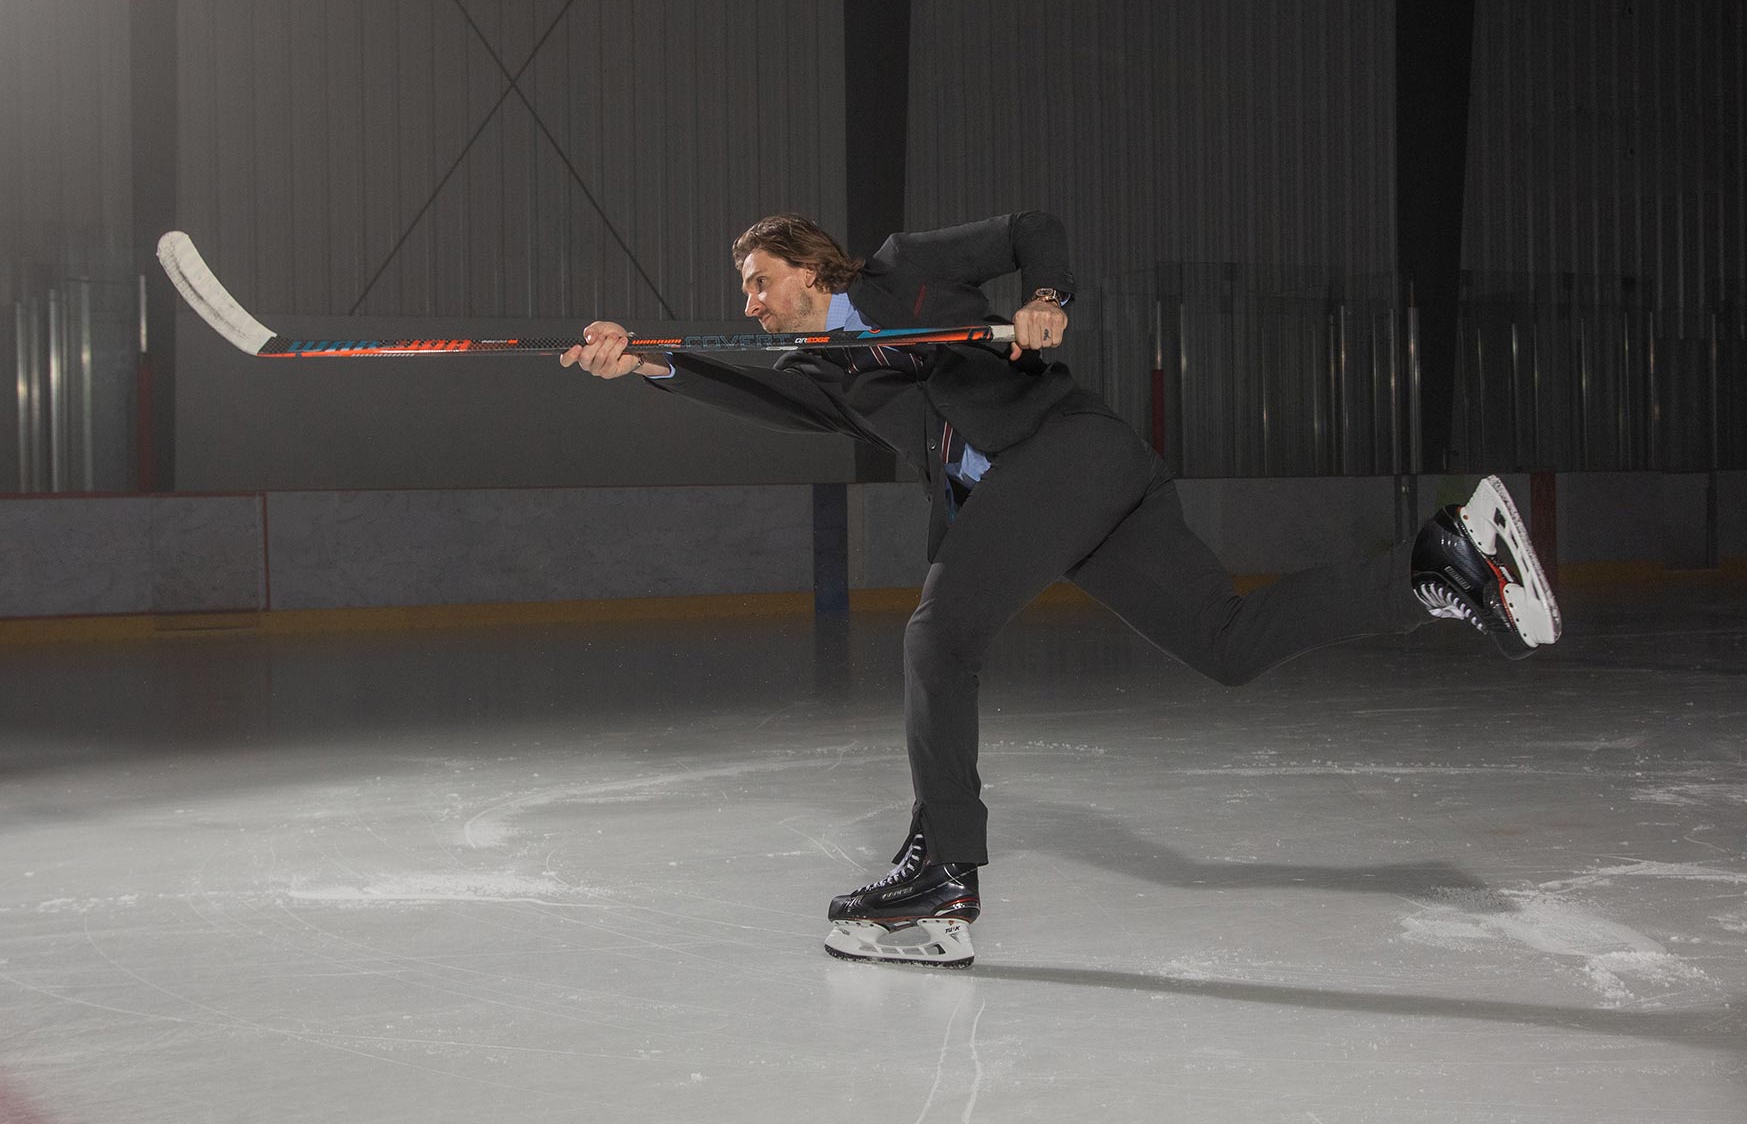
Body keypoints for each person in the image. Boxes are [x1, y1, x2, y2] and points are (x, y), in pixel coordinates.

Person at [560, 211, 1561, 968]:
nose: (751, 301)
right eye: (744, 291)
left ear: (811, 263)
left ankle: (943, 882)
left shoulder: (908, 267)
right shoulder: (828, 368)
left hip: (1068, 453)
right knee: (1228, 643)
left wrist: (1048, 302)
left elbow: (1031, 230)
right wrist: (646, 362)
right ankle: (1439, 561)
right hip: (1060, 494)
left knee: (936, 638)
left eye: (758, 280)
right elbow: (758, 388)